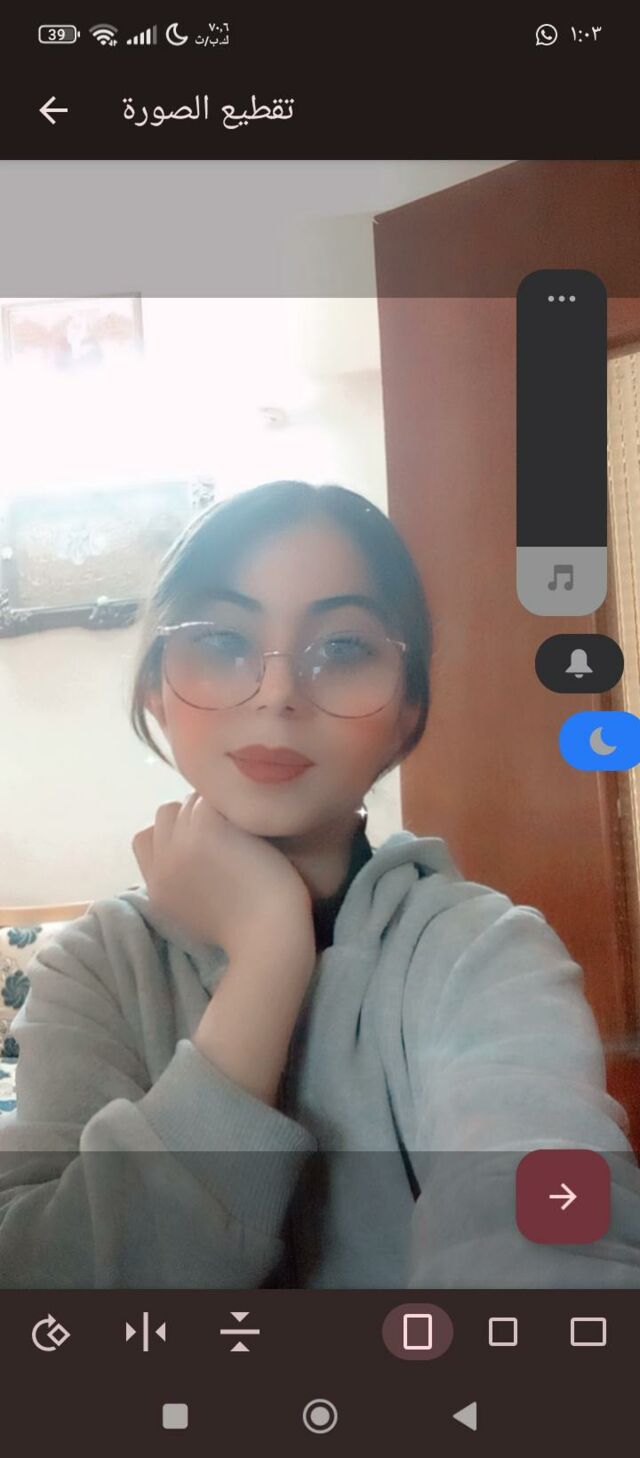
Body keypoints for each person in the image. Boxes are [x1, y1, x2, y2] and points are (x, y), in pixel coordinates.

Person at [0, 478, 639, 1289]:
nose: (277, 694)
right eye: (222, 640)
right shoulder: (94, 966)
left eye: (341, 649)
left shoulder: (481, 951)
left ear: (409, 709)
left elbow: (549, 1236)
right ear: (156, 689)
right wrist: (267, 959)